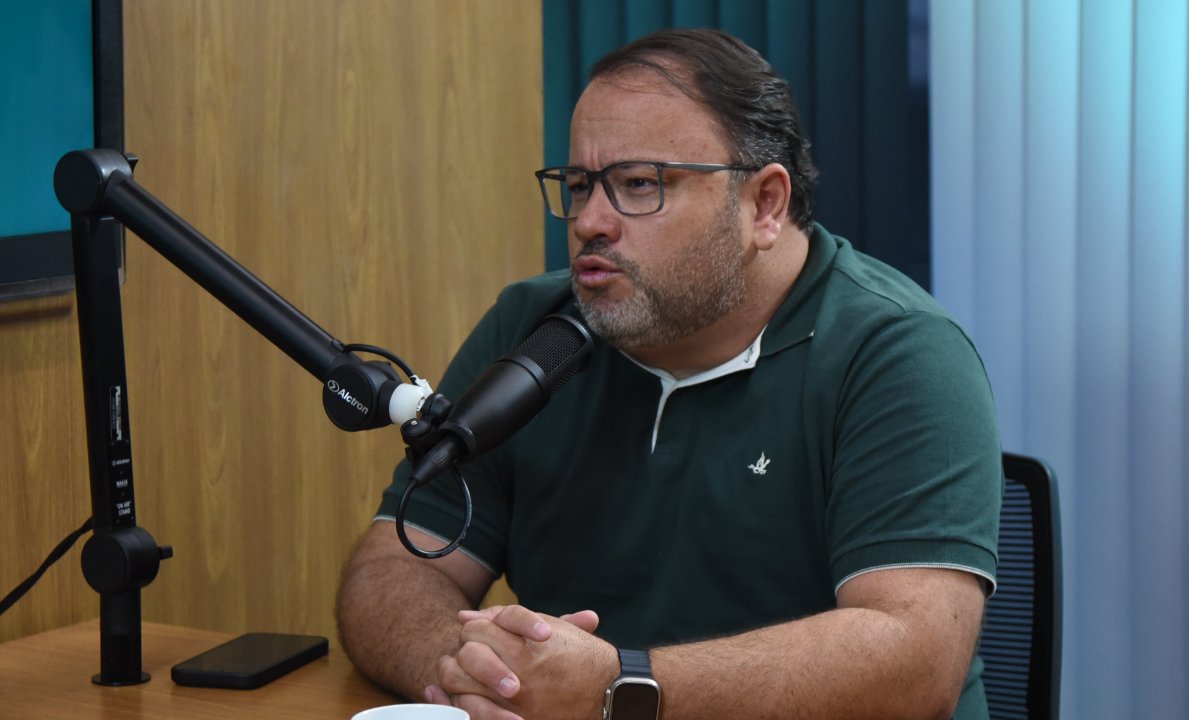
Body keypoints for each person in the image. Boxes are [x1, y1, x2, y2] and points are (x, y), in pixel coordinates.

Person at [336, 27, 1002, 720]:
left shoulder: (899, 353)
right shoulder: (534, 329)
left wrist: (621, 689)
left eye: (638, 185)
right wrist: (462, 665)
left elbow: (914, 661)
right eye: (579, 185)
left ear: (764, 205)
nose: (591, 221)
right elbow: (396, 568)